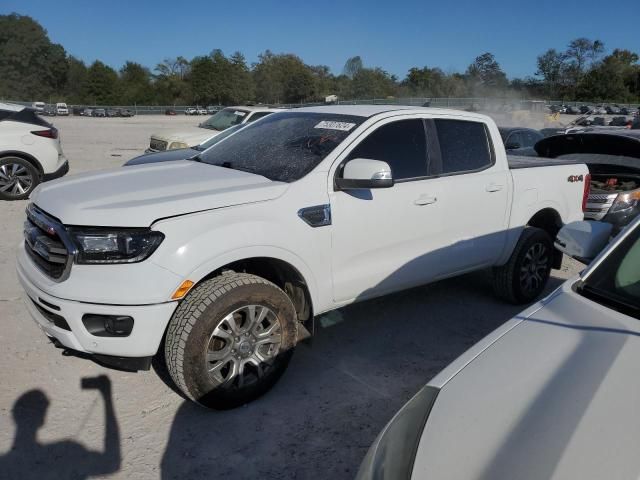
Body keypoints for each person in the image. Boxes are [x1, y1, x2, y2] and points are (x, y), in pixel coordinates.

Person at [0, 375, 120, 479]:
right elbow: (112, 464)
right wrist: (107, 398)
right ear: (42, 419)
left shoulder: (4, 464)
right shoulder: (72, 450)